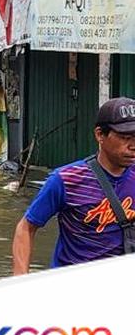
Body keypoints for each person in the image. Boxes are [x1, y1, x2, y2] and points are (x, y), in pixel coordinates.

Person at [12, 97, 135, 274]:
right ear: (100, 135)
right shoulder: (66, 180)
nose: (133, 146)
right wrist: (20, 282)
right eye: (125, 137)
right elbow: (26, 228)